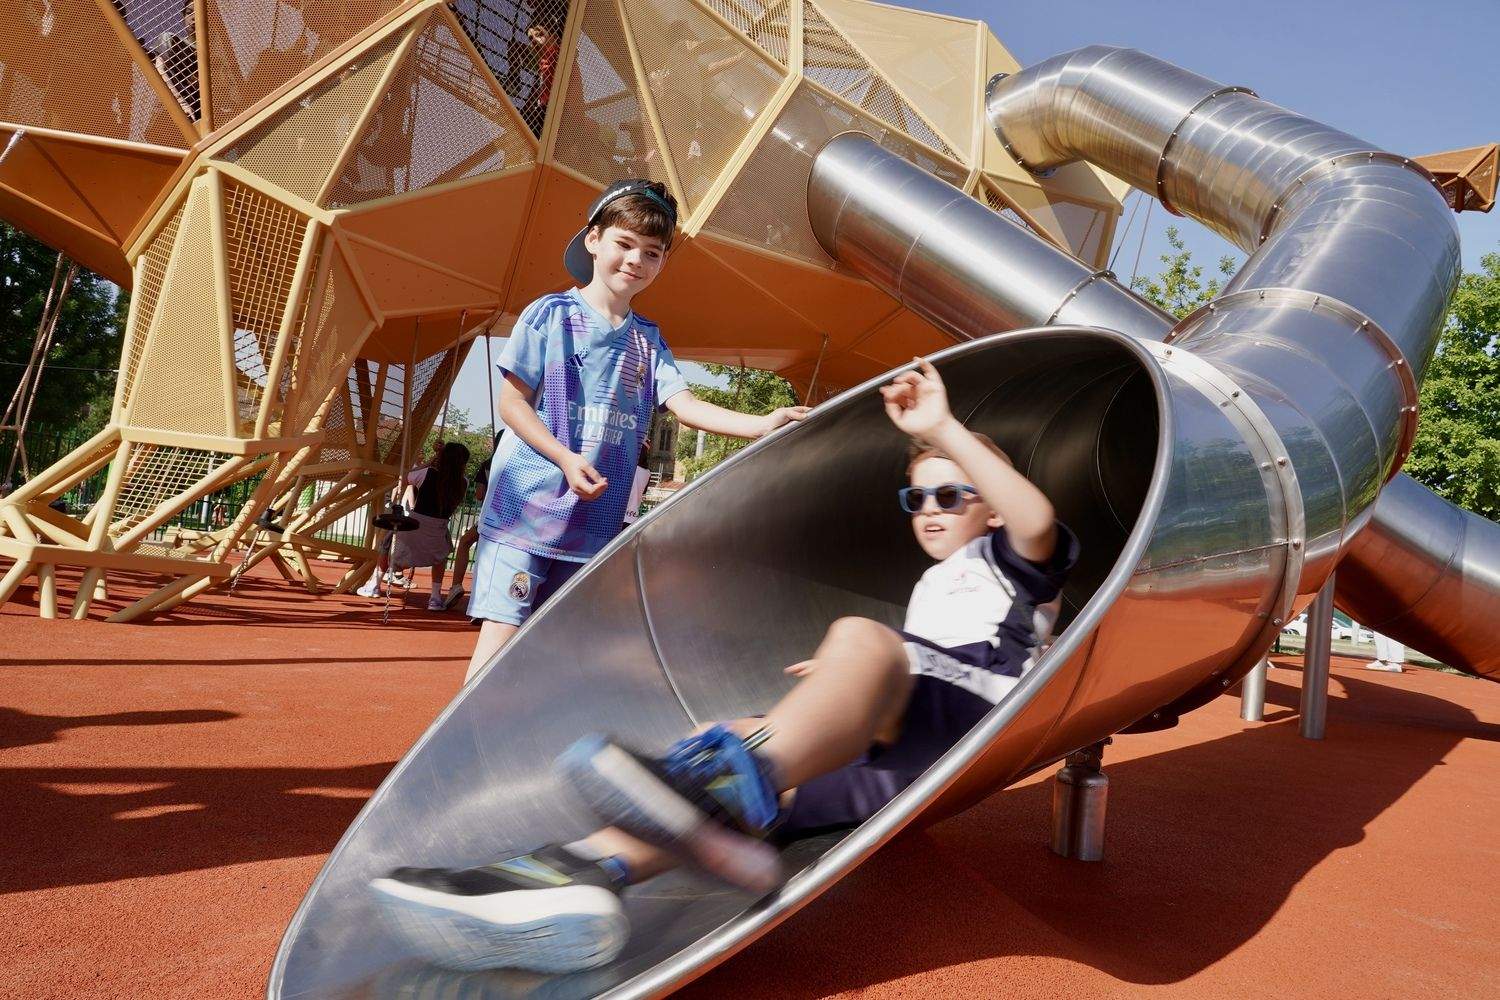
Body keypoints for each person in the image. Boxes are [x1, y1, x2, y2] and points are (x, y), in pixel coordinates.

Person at [372, 358, 1078, 973]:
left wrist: (946, 429)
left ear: (988, 511)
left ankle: (729, 804)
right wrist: (839, 676)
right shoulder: (931, 588)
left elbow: (1036, 521)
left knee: (854, 639)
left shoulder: (1009, 563)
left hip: (955, 724)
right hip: (889, 756)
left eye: (950, 495)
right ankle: (570, 874)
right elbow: (905, 659)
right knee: (721, 748)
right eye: (916, 496)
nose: (928, 509)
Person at [460, 179, 807, 681]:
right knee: (499, 643)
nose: (635, 261)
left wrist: (761, 424)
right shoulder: (550, 315)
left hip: (592, 526)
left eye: (652, 253)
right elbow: (513, 404)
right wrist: (563, 456)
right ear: (594, 240)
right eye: (624, 244)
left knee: (554, 659)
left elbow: (683, 403)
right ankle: (464, 752)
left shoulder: (648, 340)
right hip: (526, 514)